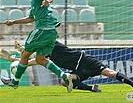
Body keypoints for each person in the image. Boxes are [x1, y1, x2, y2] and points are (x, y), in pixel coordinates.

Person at [2, 0, 73, 92]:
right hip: (51, 33)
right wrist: (13, 22)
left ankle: (15, 82)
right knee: (40, 59)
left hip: (42, 30)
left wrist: (47, 1)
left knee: (24, 55)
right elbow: (30, 18)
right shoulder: (34, 3)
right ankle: (64, 76)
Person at [1, 40, 133, 92]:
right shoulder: (45, 54)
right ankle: (92, 89)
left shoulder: (53, 44)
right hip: (79, 69)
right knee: (65, 82)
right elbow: (34, 61)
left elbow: (34, 55)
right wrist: (14, 58)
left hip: (85, 61)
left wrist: (22, 50)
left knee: (109, 73)